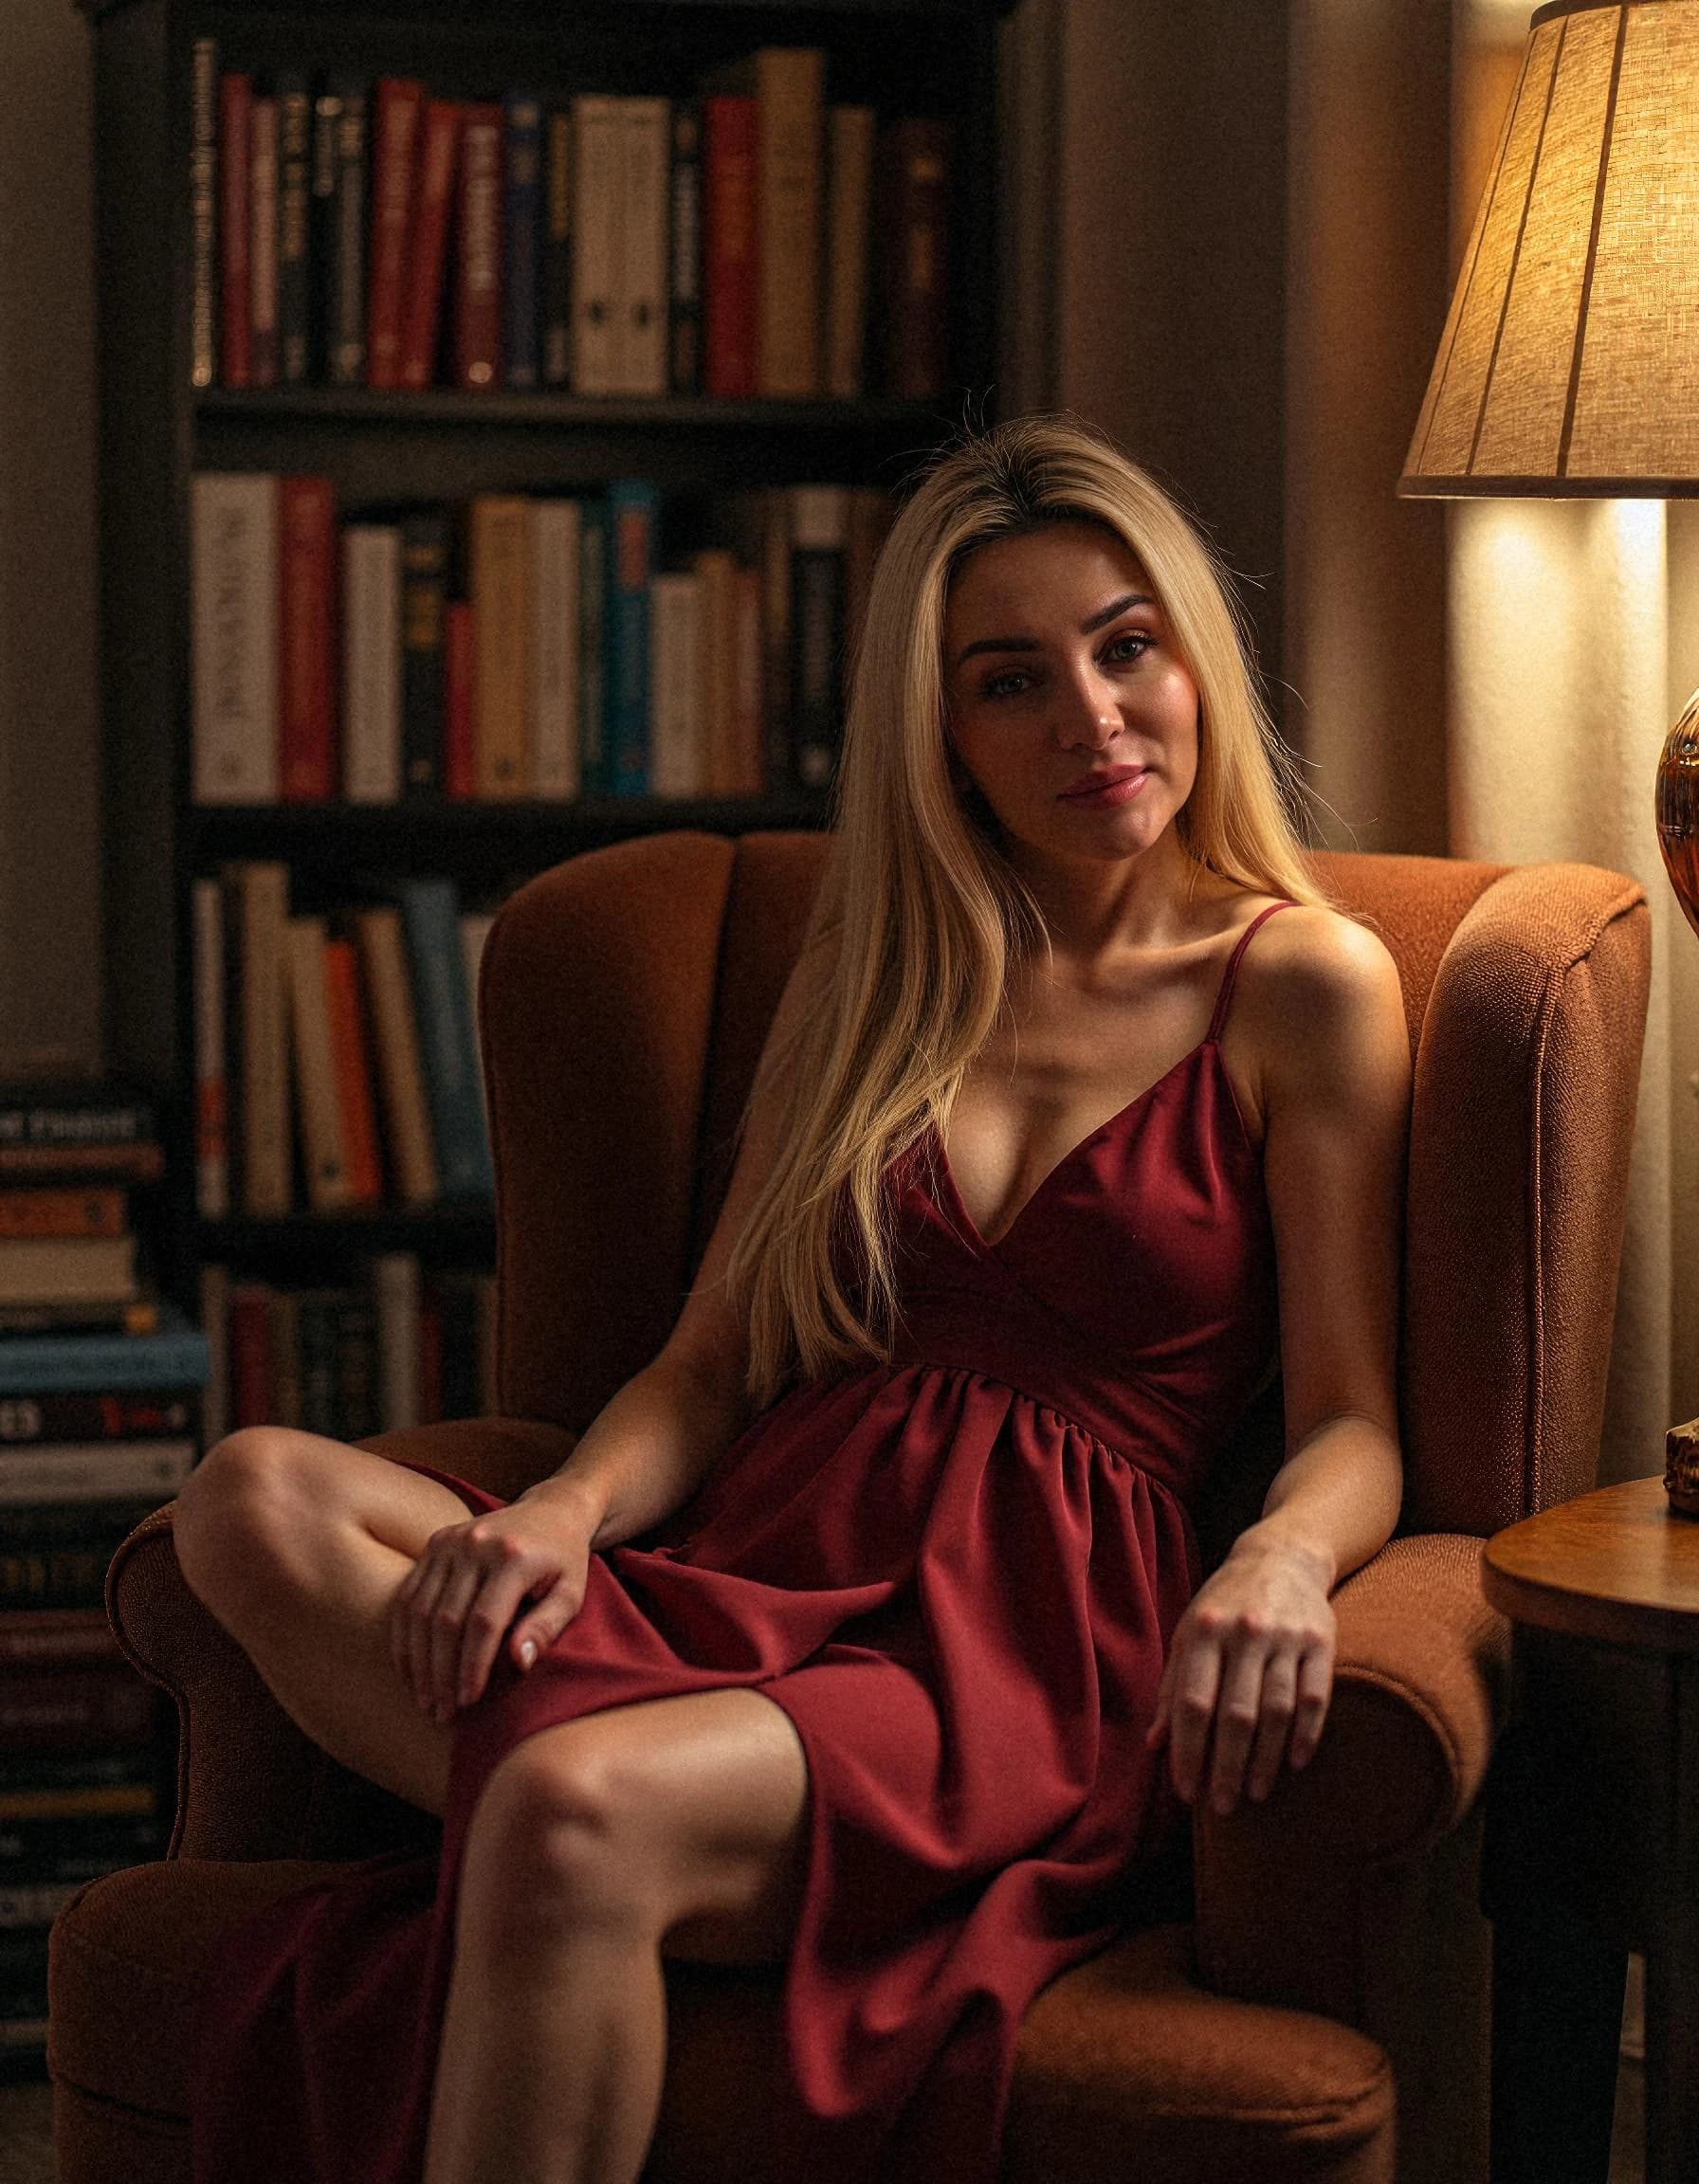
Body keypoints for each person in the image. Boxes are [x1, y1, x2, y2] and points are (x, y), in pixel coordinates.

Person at [173, 413, 1410, 2184]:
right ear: (943, 735)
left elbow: (1354, 1417)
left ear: (1194, 660)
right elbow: (709, 1367)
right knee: (247, 1497)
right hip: (756, 1568)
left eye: (1126, 647)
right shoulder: (878, 976)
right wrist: (560, 1512)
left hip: (1018, 1653)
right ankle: (668, 1868)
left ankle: (617, 1855)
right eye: (1010, 681)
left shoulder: (1305, 986)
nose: (1091, 718)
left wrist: (1280, 1559)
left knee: (570, 1807)